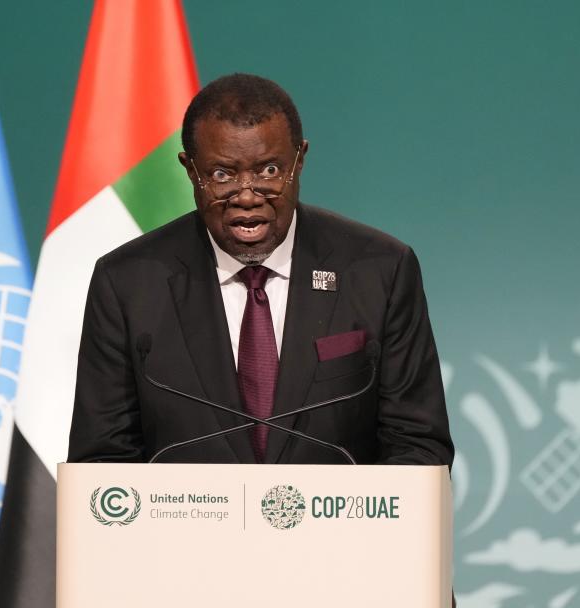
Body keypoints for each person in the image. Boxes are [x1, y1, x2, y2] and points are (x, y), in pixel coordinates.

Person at [67, 73, 453, 466]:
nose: (248, 196)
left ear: (300, 160)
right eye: (222, 175)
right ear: (190, 170)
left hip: (338, 527)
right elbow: (103, 460)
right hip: (187, 527)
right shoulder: (128, 283)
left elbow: (419, 445)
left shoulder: (378, 270)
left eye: (269, 171)